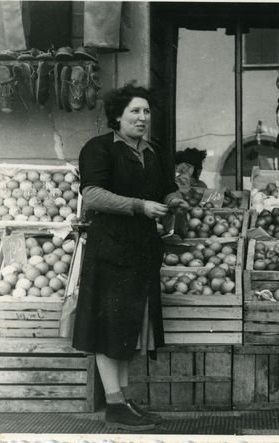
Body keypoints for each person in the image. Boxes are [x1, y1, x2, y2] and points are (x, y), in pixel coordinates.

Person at [72, 83, 188, 430]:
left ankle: (123, 399)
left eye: (147, 112)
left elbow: (165, 188)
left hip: (141, 251)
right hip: (109, 250)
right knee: (110, 327)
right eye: (135, 111)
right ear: (118, 116)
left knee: (128, 327)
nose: (142, 118)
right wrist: (139, 206)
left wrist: (176, 200)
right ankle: (113, 404)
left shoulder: (151, 153)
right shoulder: (99, 149)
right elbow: (92, 195)